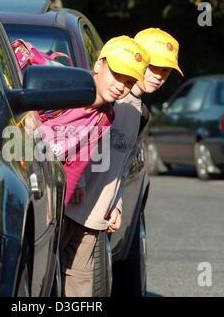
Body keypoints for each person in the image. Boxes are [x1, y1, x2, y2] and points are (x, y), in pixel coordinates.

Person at [63, 28, 183, 297]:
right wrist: (78, 182)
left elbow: (123, 162)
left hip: (94, 214)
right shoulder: (110, 100)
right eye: (153, 66)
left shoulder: (138, 110)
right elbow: (72, 142)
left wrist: (115, 202)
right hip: (68, 206)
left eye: (166, 71)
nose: (158, 76)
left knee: (79, 285)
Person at [58, 36, 150, 297]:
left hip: (89, 212)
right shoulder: (68, 96)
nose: (121, 86)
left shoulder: (109, 115)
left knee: (79, 283)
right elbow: (40, 143)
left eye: (129, 81)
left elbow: (117, 160)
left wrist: (116, 202)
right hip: (57, 210)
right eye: (117, 75)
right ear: (99, 64)